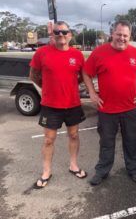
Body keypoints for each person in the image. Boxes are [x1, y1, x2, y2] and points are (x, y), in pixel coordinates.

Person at [83, 20, 136, 186]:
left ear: (130, 36)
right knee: (106, 143)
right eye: (119, 34)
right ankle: (102, 171)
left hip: (130, 108)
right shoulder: (99, 53)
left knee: (131, 141)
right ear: (112, 34)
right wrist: (92, 93)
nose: (122, 38)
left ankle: (133, 169)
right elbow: (86, 73)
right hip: (107, 109)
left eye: (125, 35)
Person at [30, 21, 87, 189]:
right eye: (57, 32)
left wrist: (71, 86)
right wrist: (45, 87)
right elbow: (33, 75)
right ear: (53, 34)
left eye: (64, 32)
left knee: (74, 135)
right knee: (49, 140)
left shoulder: (77, 55)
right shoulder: (42, 53)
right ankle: (46, 171)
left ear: (70, 34)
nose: (61, 35)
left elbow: (82, 77)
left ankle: (73, 165)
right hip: (50, 105)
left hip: (72, 104)